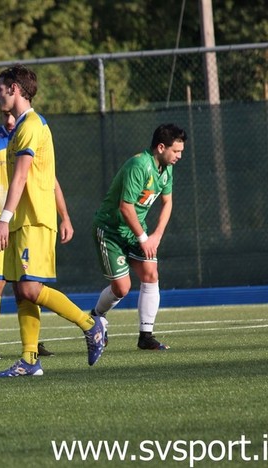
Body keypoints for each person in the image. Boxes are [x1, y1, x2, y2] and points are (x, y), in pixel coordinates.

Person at [0, 65, 106, 377]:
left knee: (30, 289)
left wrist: (4, 219)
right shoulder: (20, 129)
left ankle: (89, 324)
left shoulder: (31, 125)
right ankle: (29, 360)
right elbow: (49, 176)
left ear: (14, 88)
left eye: (0, 89)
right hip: (22, 221)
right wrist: (64, 215)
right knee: (20, 290)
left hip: (34, 221)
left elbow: (22, 177)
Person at [0, 111, 74, 360]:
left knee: (29, 284)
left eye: (11, 115)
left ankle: (33, 344)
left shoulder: (28, 133)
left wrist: (65, 216)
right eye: (4, 115)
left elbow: (50, 180)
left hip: (25, 221)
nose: (9, 119)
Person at [90, 123, 186, 350]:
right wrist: (144, 238)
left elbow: (167, 202)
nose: (179, 156)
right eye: (176, 151)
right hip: (111, 230)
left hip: (135, 229)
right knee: (122, 288)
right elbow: (125, 207)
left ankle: (146, 336)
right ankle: (95, 317)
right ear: (161, 147)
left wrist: (157, 236)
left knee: (151, 273)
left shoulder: (166, 168)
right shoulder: (139, 165)